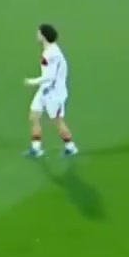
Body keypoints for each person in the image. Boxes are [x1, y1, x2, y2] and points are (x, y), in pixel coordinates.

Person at [24, 23, 78, 158]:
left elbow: (50, 76)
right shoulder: (50, 50)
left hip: (54, 93)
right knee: (34, 115)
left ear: (43, 36)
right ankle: (36, 148)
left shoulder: (51, 54)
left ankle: (70, 147)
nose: (37, 35)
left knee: (57, 121)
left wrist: (32, 82)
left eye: (38, 33)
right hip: (45, 89)